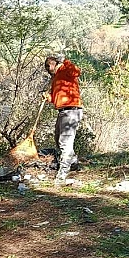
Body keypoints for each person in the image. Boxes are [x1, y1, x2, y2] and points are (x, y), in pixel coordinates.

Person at [43, 55, 82, 185]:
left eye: (49, 68)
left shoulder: (66, 69)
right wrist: (48, 97)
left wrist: (65, 60)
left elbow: (77, 71)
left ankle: (62, 174)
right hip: (62, 111)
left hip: (71, 110)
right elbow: (56, 98)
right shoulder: (56, 79)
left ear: (53, 65)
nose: (49, 72)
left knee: (65, 142)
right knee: (58, 138)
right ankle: (74, 162)